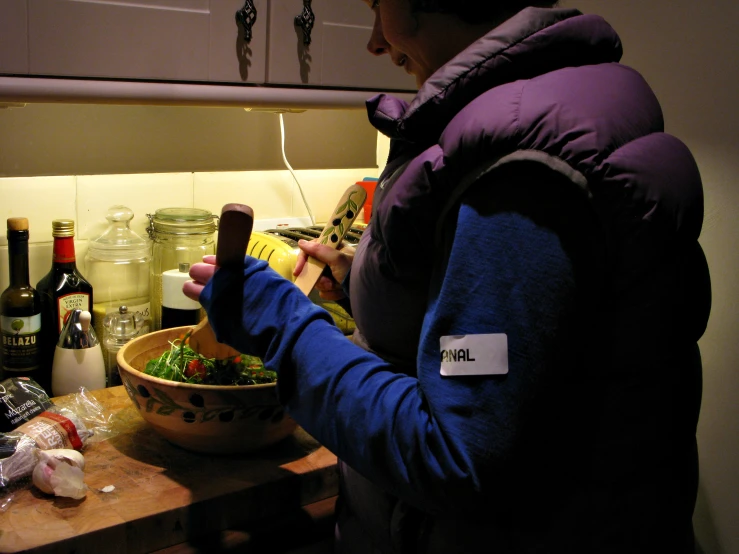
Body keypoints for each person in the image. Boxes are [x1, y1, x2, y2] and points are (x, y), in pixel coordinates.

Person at [184, 0, 711, 552]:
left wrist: (281, 324)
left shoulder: (526, 170)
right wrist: (378, 284)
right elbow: (509, 337)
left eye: (375, 5)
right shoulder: (558, 102)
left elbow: (458, 456)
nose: (374, 43)